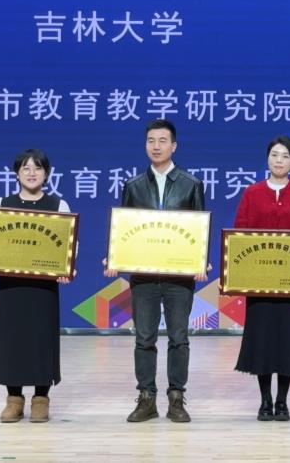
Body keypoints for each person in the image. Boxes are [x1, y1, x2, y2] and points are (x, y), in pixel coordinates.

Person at [105, 119, 207, 424]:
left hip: (179, 278)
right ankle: (146, 398)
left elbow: (199, 229)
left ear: (174, 146)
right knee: (144, 338)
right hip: (144, 277)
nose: (156, 146)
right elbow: (125, 229)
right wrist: (115, 257)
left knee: (179, 338)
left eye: (163, 141)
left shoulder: (191, 184)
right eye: (151, 140)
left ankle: (176, 398)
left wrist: (200, 261)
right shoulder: (133, 185)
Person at [0, 149, 72, 424]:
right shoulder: (2, 203)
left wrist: (65, 268)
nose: (32, 173)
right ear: (16, 174)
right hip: (10, 286)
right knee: (11, 340)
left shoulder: (58, 205)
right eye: (26, 168)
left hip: (43, 288)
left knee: (41, 339)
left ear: (46, 174)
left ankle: (41, 398)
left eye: (38, 168)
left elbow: (68, 245)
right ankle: (13, 399)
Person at [232, 135, 290, 422]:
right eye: (274, 155)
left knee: (286, 341)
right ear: (267, 159)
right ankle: (265, 401)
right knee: (262, 341)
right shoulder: (252, 193)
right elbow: (239, 235)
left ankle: (282, 402)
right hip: (259, 282)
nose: (279, 160)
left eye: (285, 156)